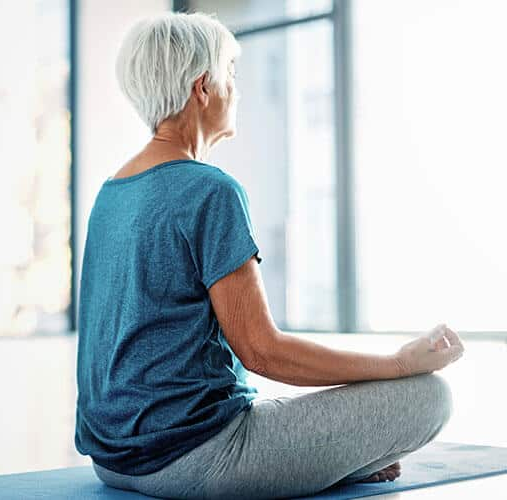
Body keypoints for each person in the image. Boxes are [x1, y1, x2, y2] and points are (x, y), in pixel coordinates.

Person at [74, 10, 465, 500]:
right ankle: (334, 461)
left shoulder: (111, 192)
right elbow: (261, 351)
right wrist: (399, 364)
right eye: (230, 75)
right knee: (431, 398)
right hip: (196, 458)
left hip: (112, 461)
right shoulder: (211, 191)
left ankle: (332, 464)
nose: (236, 89)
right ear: (203, 88)